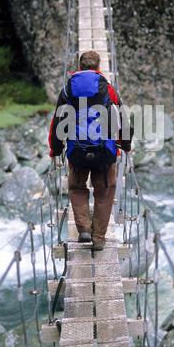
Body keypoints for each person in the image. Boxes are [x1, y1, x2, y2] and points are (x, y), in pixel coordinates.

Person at [49, 50, 132, 250]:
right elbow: (122, 119)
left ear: (79, 67)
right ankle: (99, 239)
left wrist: (56, 148)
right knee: (104, 193)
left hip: (77, 151)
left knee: (77, 188)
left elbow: (58, 122)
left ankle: (84, 229)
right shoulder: (108, 89)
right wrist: (125, 145)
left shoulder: (68, 89)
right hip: (104, 152)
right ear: (98, 68)